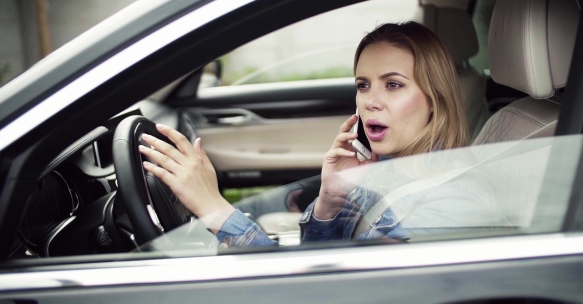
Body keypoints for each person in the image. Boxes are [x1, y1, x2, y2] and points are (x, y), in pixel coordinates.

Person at [138, 21, 505, 248]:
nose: (370, 102)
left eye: (393, 85)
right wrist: (330, 202)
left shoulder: (455, 206)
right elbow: (324, 263)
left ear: (435, 98)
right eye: (363, 85)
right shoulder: (387, 169)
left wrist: (216, 210)